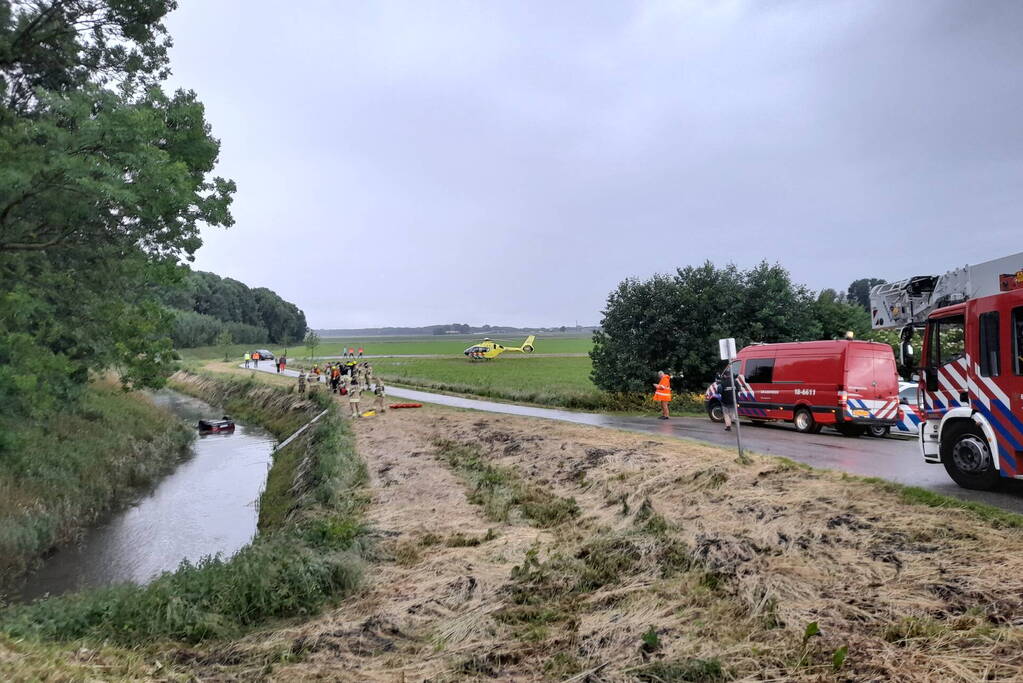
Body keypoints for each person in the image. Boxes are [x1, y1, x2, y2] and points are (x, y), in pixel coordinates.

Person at [720, 367, 738, 431]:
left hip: (725, 402)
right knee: (733, 414)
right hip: (734, 401)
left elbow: (719, 391)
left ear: (725, 376)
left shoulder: (722, 383)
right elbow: (739, 389)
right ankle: (736, 421)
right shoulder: (735, 382)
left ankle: (728, 426)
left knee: (726, 414)